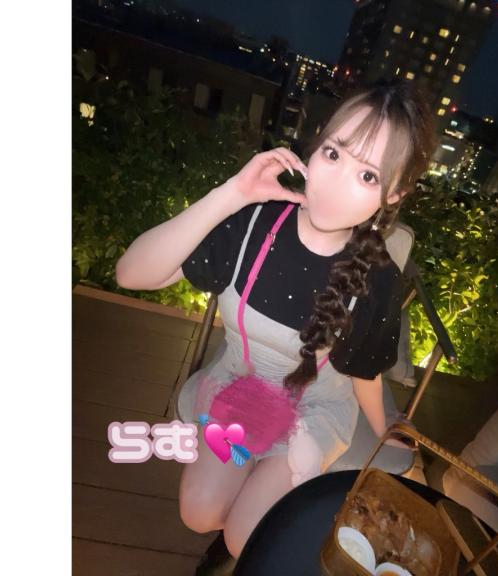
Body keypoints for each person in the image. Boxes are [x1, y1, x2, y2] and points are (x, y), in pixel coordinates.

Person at [115, 78, 437, 573]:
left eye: (367, 175)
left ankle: (252, 513)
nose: (334, 183)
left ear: (394, 193)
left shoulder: (376, 280)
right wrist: (230, 196)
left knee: (246, 537)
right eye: (333, 153)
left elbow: (364, 373)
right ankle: (246, 493)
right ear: (315, 147)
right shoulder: (251, 223)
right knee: (198, 513)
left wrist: (384, 426)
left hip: (313, 410)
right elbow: (132, 274)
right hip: (241, 388)